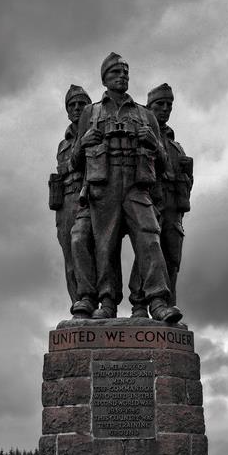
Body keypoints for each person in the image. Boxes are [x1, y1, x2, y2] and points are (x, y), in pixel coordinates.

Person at [70, 53, 182, 322]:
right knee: (104, 246)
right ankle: (107, 302)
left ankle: (157, 300)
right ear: (105, 79)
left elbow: (165, 165)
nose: (121, 77)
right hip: (104, 186)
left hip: (136, 186)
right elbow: (75, 162)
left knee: (150, 237)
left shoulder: (145, 115)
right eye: (115, 73)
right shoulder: (91, 112)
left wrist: (154, 144)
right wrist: (84, 141)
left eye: (125, 74)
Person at [129, 83, 193, 316]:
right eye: (160, 104)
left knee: (172, 257)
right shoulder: (143, 136)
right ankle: (139, 303)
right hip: (151, 201)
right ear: (149, 107)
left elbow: (187, 179)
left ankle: (168, 303)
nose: (165, 109)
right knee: (147, 252)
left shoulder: (177, 146)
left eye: (169, 105)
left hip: (174, 208)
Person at [48, 85, 96, 314]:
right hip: (66, 200)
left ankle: (94, 300)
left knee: (88, 247)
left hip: (90, 197)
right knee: (69, 257)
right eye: (72, 105)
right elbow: (64, 168)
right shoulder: (63, 143)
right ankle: (79, 305)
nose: (77, 108)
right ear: (67, 110)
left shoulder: (97, 133)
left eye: (81, 104)